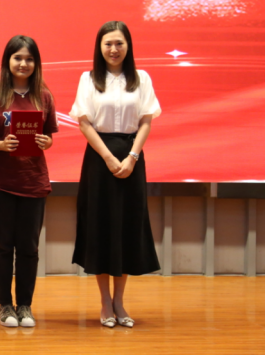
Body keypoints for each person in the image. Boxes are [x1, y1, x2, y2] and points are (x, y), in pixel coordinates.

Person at [70, 21, 162, 328]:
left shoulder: (141, 78)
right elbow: (84, 123)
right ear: (99, 47)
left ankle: (120, 301)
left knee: (126, 226)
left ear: (128, 46)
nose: (114, 49)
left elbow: (146, 120)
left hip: (132, 158)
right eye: (108, 43)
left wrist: (132, 156)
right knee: (100, 227)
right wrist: (109, 158)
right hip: (99, 159)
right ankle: (105, 302)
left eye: (119, 43)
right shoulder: (88, 79)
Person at [0, 35, 58, 328]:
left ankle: (25, 306)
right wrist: (0, 145)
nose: (23, 64)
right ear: (7, 61)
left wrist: (45, 142)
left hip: (33, 182)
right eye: (18, 58)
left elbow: (48, 137)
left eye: (29, 59)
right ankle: (5, 305)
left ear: (36, 63)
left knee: (29, 249)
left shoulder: (44, 96)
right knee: (1, 247)